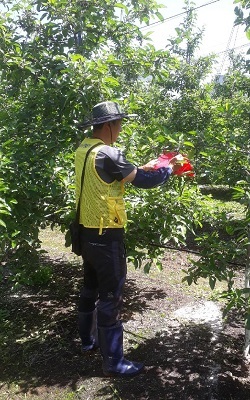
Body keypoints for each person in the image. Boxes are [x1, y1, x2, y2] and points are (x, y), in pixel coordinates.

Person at [75, 101, 182, 377]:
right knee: (111, 297)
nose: (121, 129)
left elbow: (109, 176)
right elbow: (145, 181)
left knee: (89, 289)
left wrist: (139, 167)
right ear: (109, 125)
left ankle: (87, 342)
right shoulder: (109, 153)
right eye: (119, 123)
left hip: (86, 233)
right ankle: (114, 363)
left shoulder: (84, 149)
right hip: (106, 237)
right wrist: (167, 170)